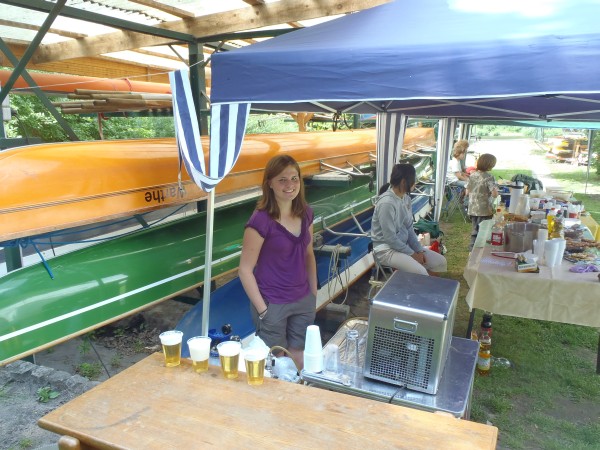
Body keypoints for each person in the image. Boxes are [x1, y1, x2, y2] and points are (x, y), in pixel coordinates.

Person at [239, 155, 317, 370]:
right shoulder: (260, 221)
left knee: (300, 357)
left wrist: (313, 293)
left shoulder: (306, 213)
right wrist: (264, 311)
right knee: (278, 364)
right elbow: (245, 270)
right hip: (273, 302)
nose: (290, 185)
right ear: (269, 183)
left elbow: (308, 254)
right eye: (282, 179)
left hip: (303, 300)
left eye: (294, 178)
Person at [371, 163, 447, 276]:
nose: (415, 184)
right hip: (385, 249)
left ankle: (428, 289)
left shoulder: (406, 198)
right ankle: (420, 290)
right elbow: (390, 238)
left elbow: (409, 228)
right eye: (413, 180)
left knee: (440, 262)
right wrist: (412, 254)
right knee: (420, 272)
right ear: (403, 182)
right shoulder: (386, 203)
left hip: (402, 245)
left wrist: (419, 251)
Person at [466, 153, 499, 250]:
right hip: (484, 208)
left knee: (474, 228)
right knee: (483, 230)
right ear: (490, 165)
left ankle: (472, 247)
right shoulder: (489, 177)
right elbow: (494, 194)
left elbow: (467, 191)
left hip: (472, 207)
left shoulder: (472, 175)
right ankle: (480, 248)